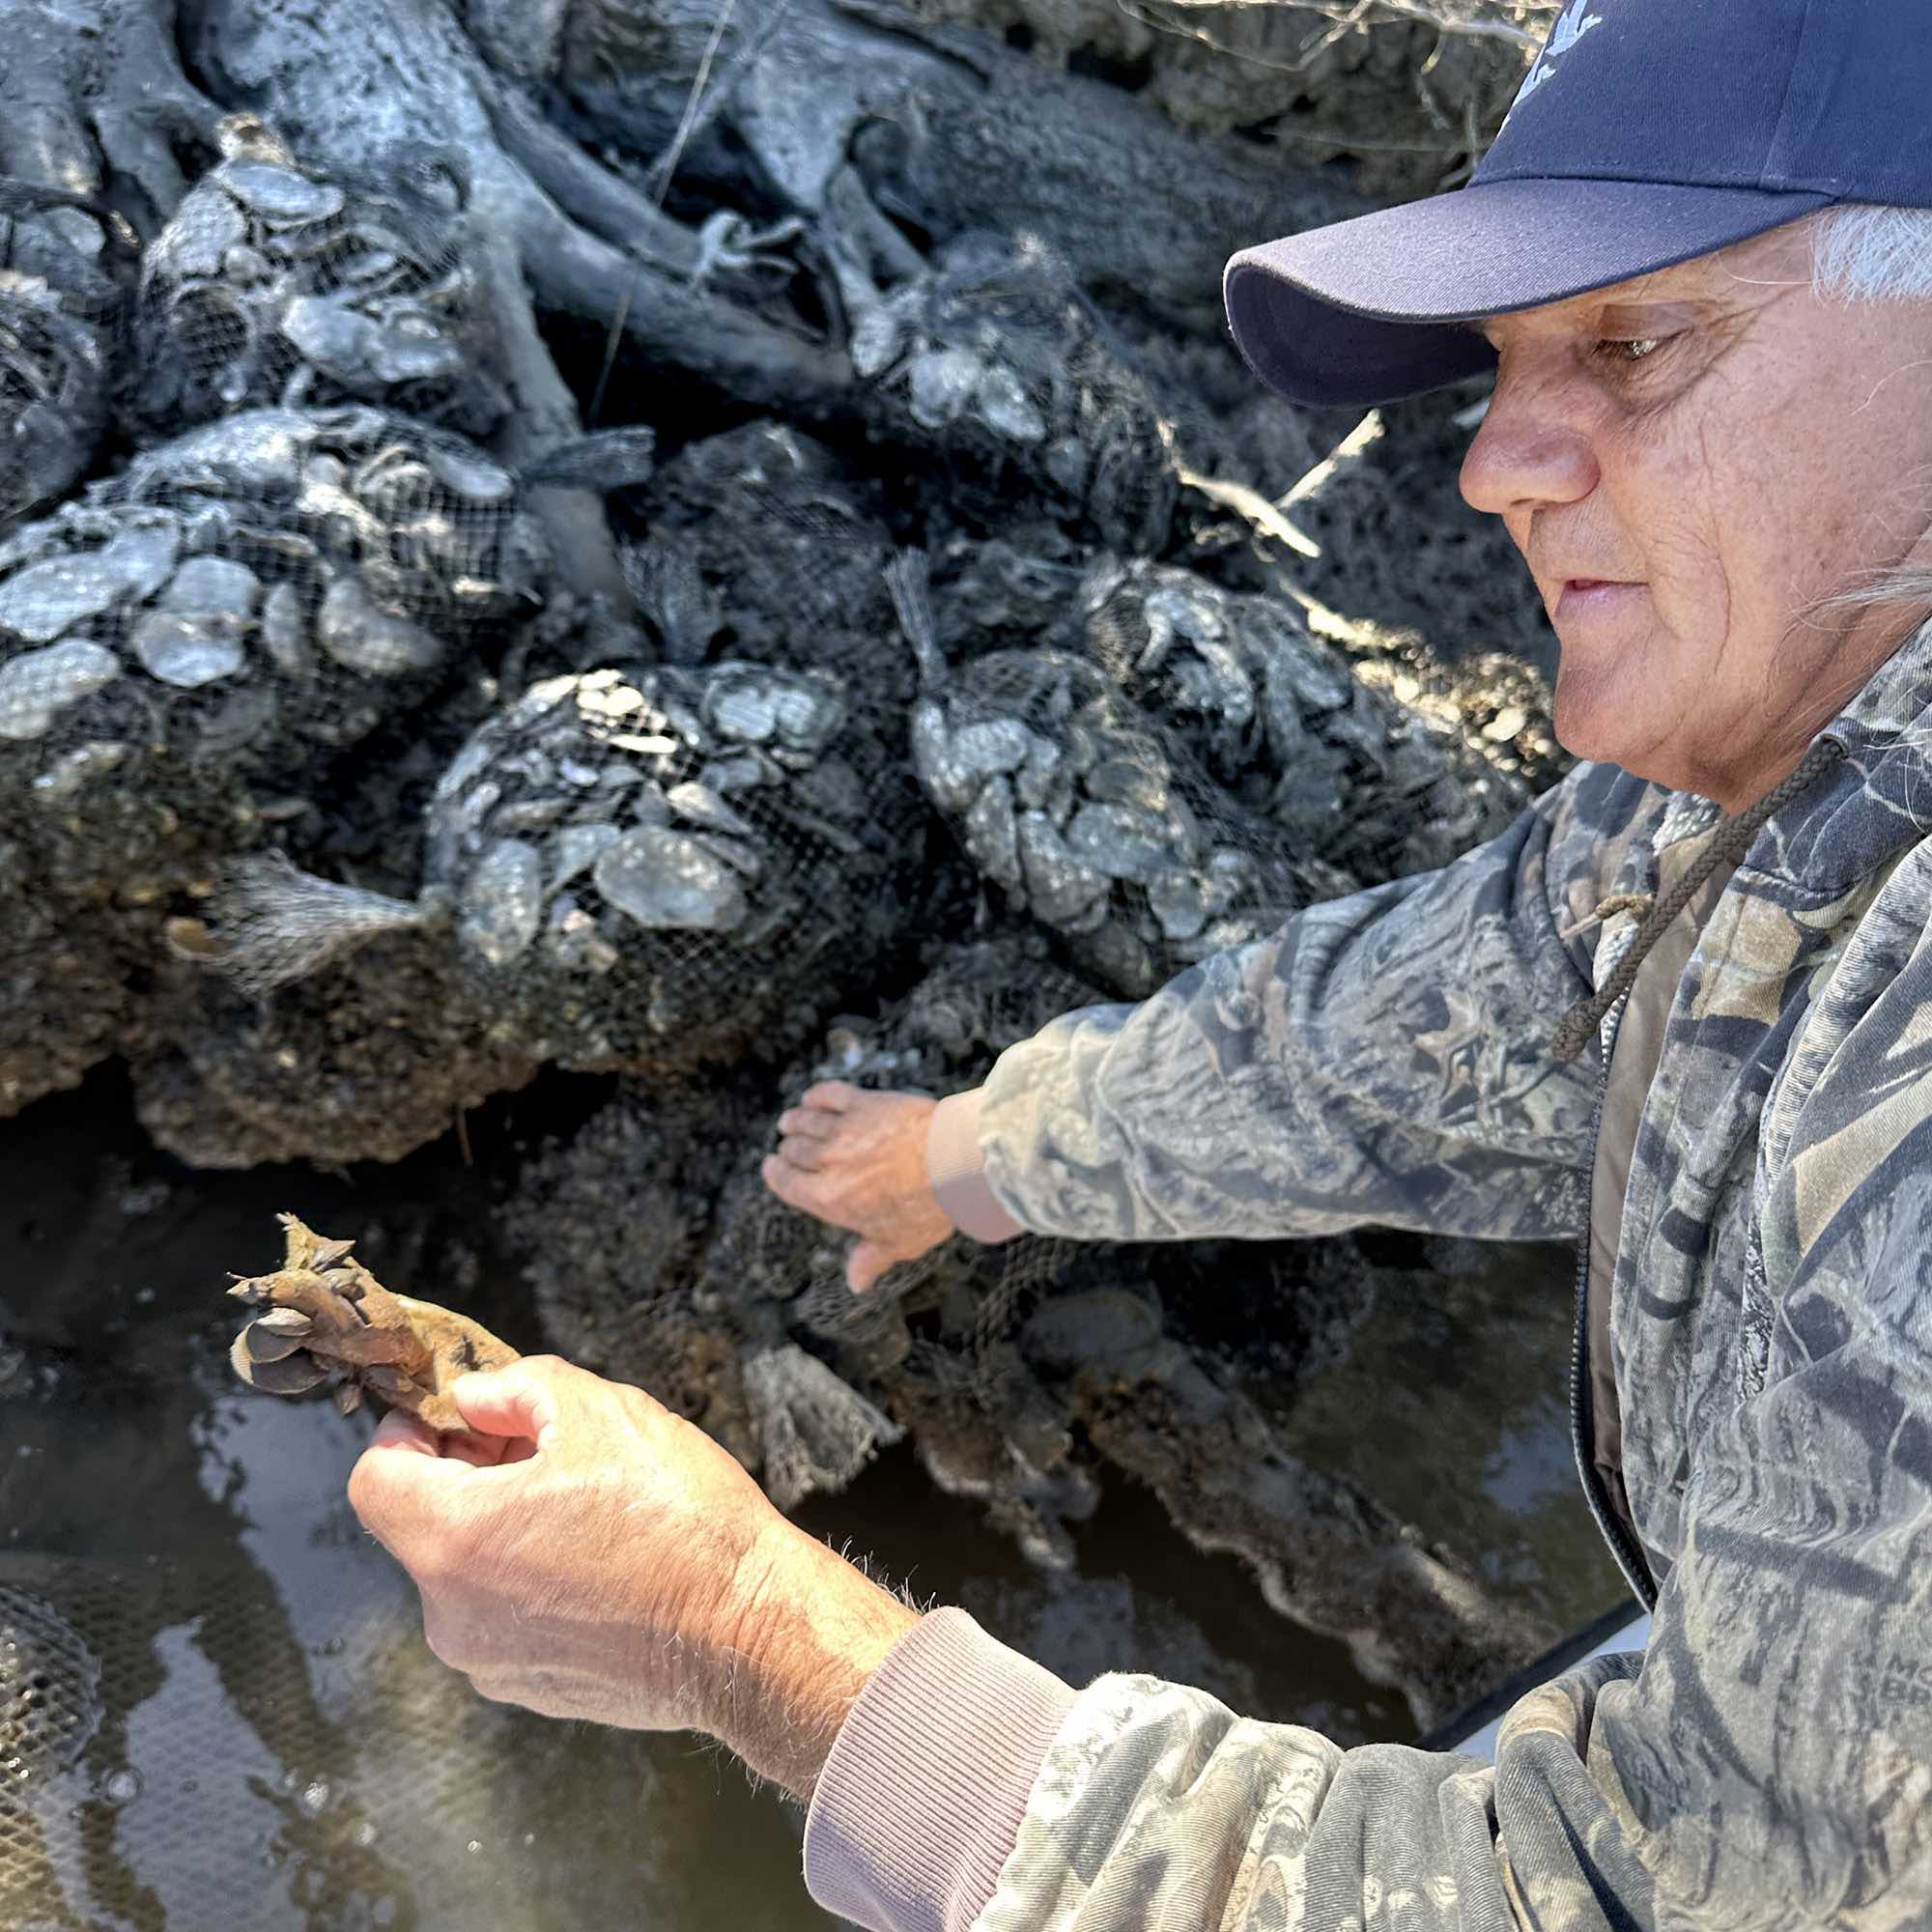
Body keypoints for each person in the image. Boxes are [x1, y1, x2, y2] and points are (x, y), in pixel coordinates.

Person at [347, 2, 1932, 1923]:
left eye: (1633, 342)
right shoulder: (1791, 770)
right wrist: (978, 1148)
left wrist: (743, 1629)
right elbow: (1455, 1014)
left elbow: (1641, 1894)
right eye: (1510, 363)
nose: (1494, 466)